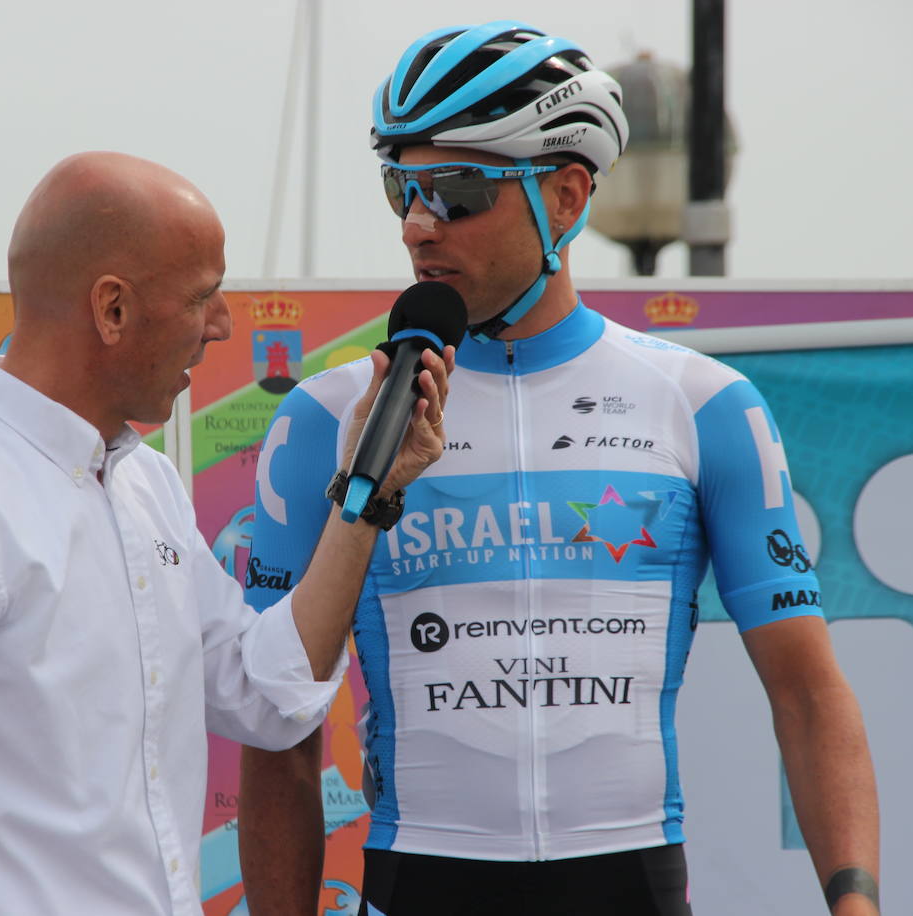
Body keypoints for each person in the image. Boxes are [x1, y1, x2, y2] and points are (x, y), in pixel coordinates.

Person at [239, 22, 880, 916]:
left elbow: (808, 693)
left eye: (457, 191)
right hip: (417, 885)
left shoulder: (703, 404)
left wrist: (855, 901)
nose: (420, 225)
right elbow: (277, 731)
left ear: (568, 197)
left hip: (631, 887)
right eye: (402, 189)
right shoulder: (325, 420)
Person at [0, 151, 452, 916]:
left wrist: (364, 496)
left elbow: (266, 692)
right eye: (203, 296)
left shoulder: (143, 482)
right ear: (112, 310)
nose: (223, 326)